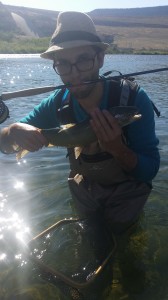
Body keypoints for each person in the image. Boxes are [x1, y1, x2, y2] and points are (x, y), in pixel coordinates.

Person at [0, 11, 160, 235]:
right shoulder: (56, 103)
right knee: (89, 240)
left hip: (128, 192)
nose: (74, 74)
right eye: (64, 64)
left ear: (100, 59)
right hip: (85, 190)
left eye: (83, 60)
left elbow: (149, 172)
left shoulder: (133, 99)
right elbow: (4, 146)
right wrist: (13, 132)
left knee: (126, 241)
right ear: (55, 65)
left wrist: (118, 149)